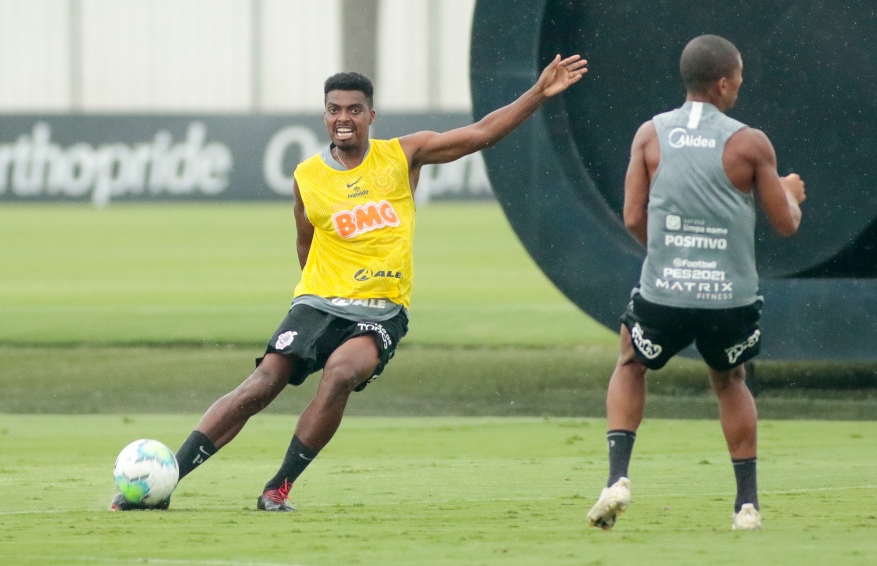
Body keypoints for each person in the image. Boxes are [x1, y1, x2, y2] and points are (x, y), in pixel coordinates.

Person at [112, 53, 588, 512]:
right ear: (325, 117)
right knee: (262, 383)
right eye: (335, 109)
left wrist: (539, 93)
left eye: (354, 110)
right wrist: (317, 299)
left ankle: (277, 489)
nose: (345, 118)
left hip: (380, 310)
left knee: (340, 373)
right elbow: (305, 244)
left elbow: (482, 134)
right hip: (318, 302)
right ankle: (163, 480)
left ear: (371, 115)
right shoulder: (307, 177)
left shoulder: (403, 155)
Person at [586, 35, 805, 531]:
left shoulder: (650, 134)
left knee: (630, 360)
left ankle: (617, 479)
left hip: (665, 289)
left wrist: (668, 255)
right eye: (740, 78)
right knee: (729, 381)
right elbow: (785, 223)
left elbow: (632, 216)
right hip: (729, 296)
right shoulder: (750, 142)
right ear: (724, 83)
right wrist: (790, 192)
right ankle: (745, 506)